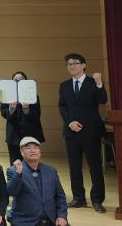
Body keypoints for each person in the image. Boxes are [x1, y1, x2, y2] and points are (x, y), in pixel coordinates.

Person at [58, 53, 107, 212]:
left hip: (91, 131)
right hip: (71, 131)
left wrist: (99, 84)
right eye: (69, 64)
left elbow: (102, 100)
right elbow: (62, 107)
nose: (71, 66)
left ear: (83, 65)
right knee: (74, 167)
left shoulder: (93, 82)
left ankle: (97, 200)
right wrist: (70, 122)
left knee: (95, 167)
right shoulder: (64, 85)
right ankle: (78, 198)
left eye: (75, 63)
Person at [6, 137, 68, 226]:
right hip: (26, 221)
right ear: (22, 152)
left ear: (40, 151)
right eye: (28, 148)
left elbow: (60, 197)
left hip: (51, 220)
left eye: (36, 147)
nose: (33, 150)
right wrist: (18, 173)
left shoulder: (51, 170)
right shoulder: (13, 170)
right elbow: (12, 192)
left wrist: (62, 216)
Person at [0, 71, 45, 164]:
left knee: (31, 162)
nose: (18, 81)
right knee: (15, 162)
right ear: (12, 82)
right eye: (16, 79)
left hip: (31, 133)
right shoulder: (6, 95)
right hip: (14, 134)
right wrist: (11, 109)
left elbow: (37, 115)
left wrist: (26, 109)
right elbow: (4, 114)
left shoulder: (33, 95)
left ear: (26, 81)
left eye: (21, 79)